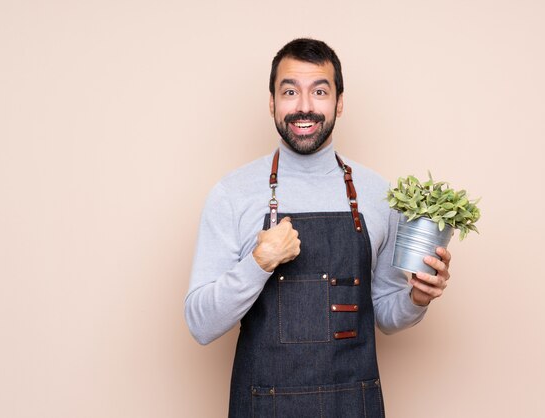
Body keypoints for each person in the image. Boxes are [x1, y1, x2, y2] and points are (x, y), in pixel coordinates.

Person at [185, 38, 452, 417]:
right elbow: (200, 324)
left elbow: (386, 314)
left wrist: (417, 299)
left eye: (320, 91)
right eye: (290, 91)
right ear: (272, 102)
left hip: (352, 403)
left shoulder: (378, 194)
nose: (304, 106)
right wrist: (258, 263)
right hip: (265, 405)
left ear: (339, 103)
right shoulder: (232, 194)